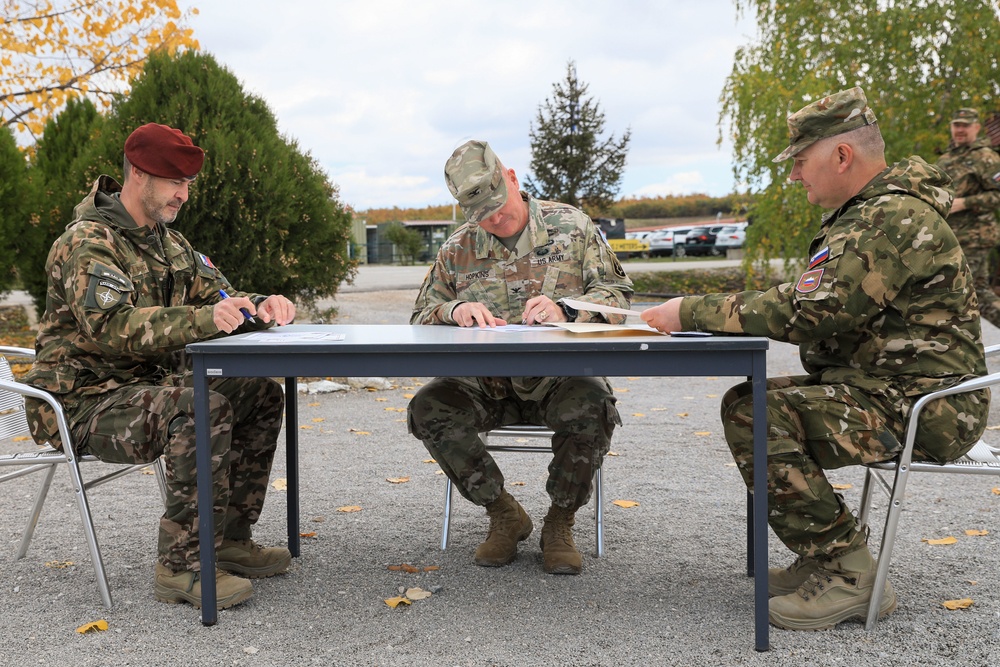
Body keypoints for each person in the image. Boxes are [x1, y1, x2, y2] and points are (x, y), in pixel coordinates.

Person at [641, 88, 989, 630]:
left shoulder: (888, 216)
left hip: (927, 404)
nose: (796, 175)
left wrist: (690, 310)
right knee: (748, 400)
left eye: (801, 162)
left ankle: (849, 570)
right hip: (889, 385)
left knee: (755, 415)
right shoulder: (871, 211)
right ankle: (823, 554)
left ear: (842, 156)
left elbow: (813, 311)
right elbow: (820, 301)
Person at [22, 123, 297, 610]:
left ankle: (230, 539)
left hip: (143, 389)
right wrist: (204, 318)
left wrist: (261, 304)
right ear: (138, 175)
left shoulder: (169, 245)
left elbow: (220, 298)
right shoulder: (88, 242)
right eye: (175, 183)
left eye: (187, 184)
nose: (184, 196)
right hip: (83, 400)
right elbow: (111, 328)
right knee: (198, 408)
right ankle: (181, 566)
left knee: (260, 392)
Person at [407, 140, 633, 575]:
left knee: (592, 405)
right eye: (483, 215)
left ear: (512, 178)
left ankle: (560, 522)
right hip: (485, 381)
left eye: (499, 206)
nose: (496, 219)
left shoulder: (572, 226)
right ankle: (504, 513)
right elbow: (421, 311)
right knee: (428, 408)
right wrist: (453, 310)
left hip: (559, 376)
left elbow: (617, 294)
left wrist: (567, 308)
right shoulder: (458, 248)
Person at [936, 107, 1000, 328]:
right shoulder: (945, 159)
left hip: (976, 236)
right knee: (980, 295)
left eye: (965, 125)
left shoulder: (986, 157)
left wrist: (966, 202)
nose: (960, 130)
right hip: (951, 237)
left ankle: (955, 353)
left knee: (957, 292)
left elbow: (997, 195)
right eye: (956, 125)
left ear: (976, 127)